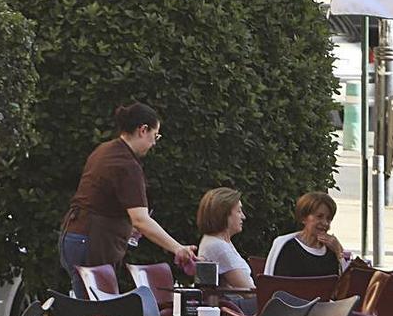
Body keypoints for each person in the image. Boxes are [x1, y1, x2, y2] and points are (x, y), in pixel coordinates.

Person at [59, 102, 198, 298]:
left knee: (87, 307)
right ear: (143, 130)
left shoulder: (105, 150)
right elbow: (141, 220)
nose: (154, 143)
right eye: (154, 136)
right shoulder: (126, 165)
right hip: (92, 241)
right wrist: (178, 248)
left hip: (75, 235)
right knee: (94, 314)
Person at [265, 192, 346, 277]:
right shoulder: (285, 245)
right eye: (319, 216)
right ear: (304, 218)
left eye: (329, 219)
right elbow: (272, 282)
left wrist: (339, 252)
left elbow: (348, 283)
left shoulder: (332, 249)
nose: (325, 223)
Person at [196, 187, 254, 289]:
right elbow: (248, 292)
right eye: (239, 211)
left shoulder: (221, 242)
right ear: (224, 214)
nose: (243, 216)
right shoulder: (218, 246)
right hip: (237, 304)